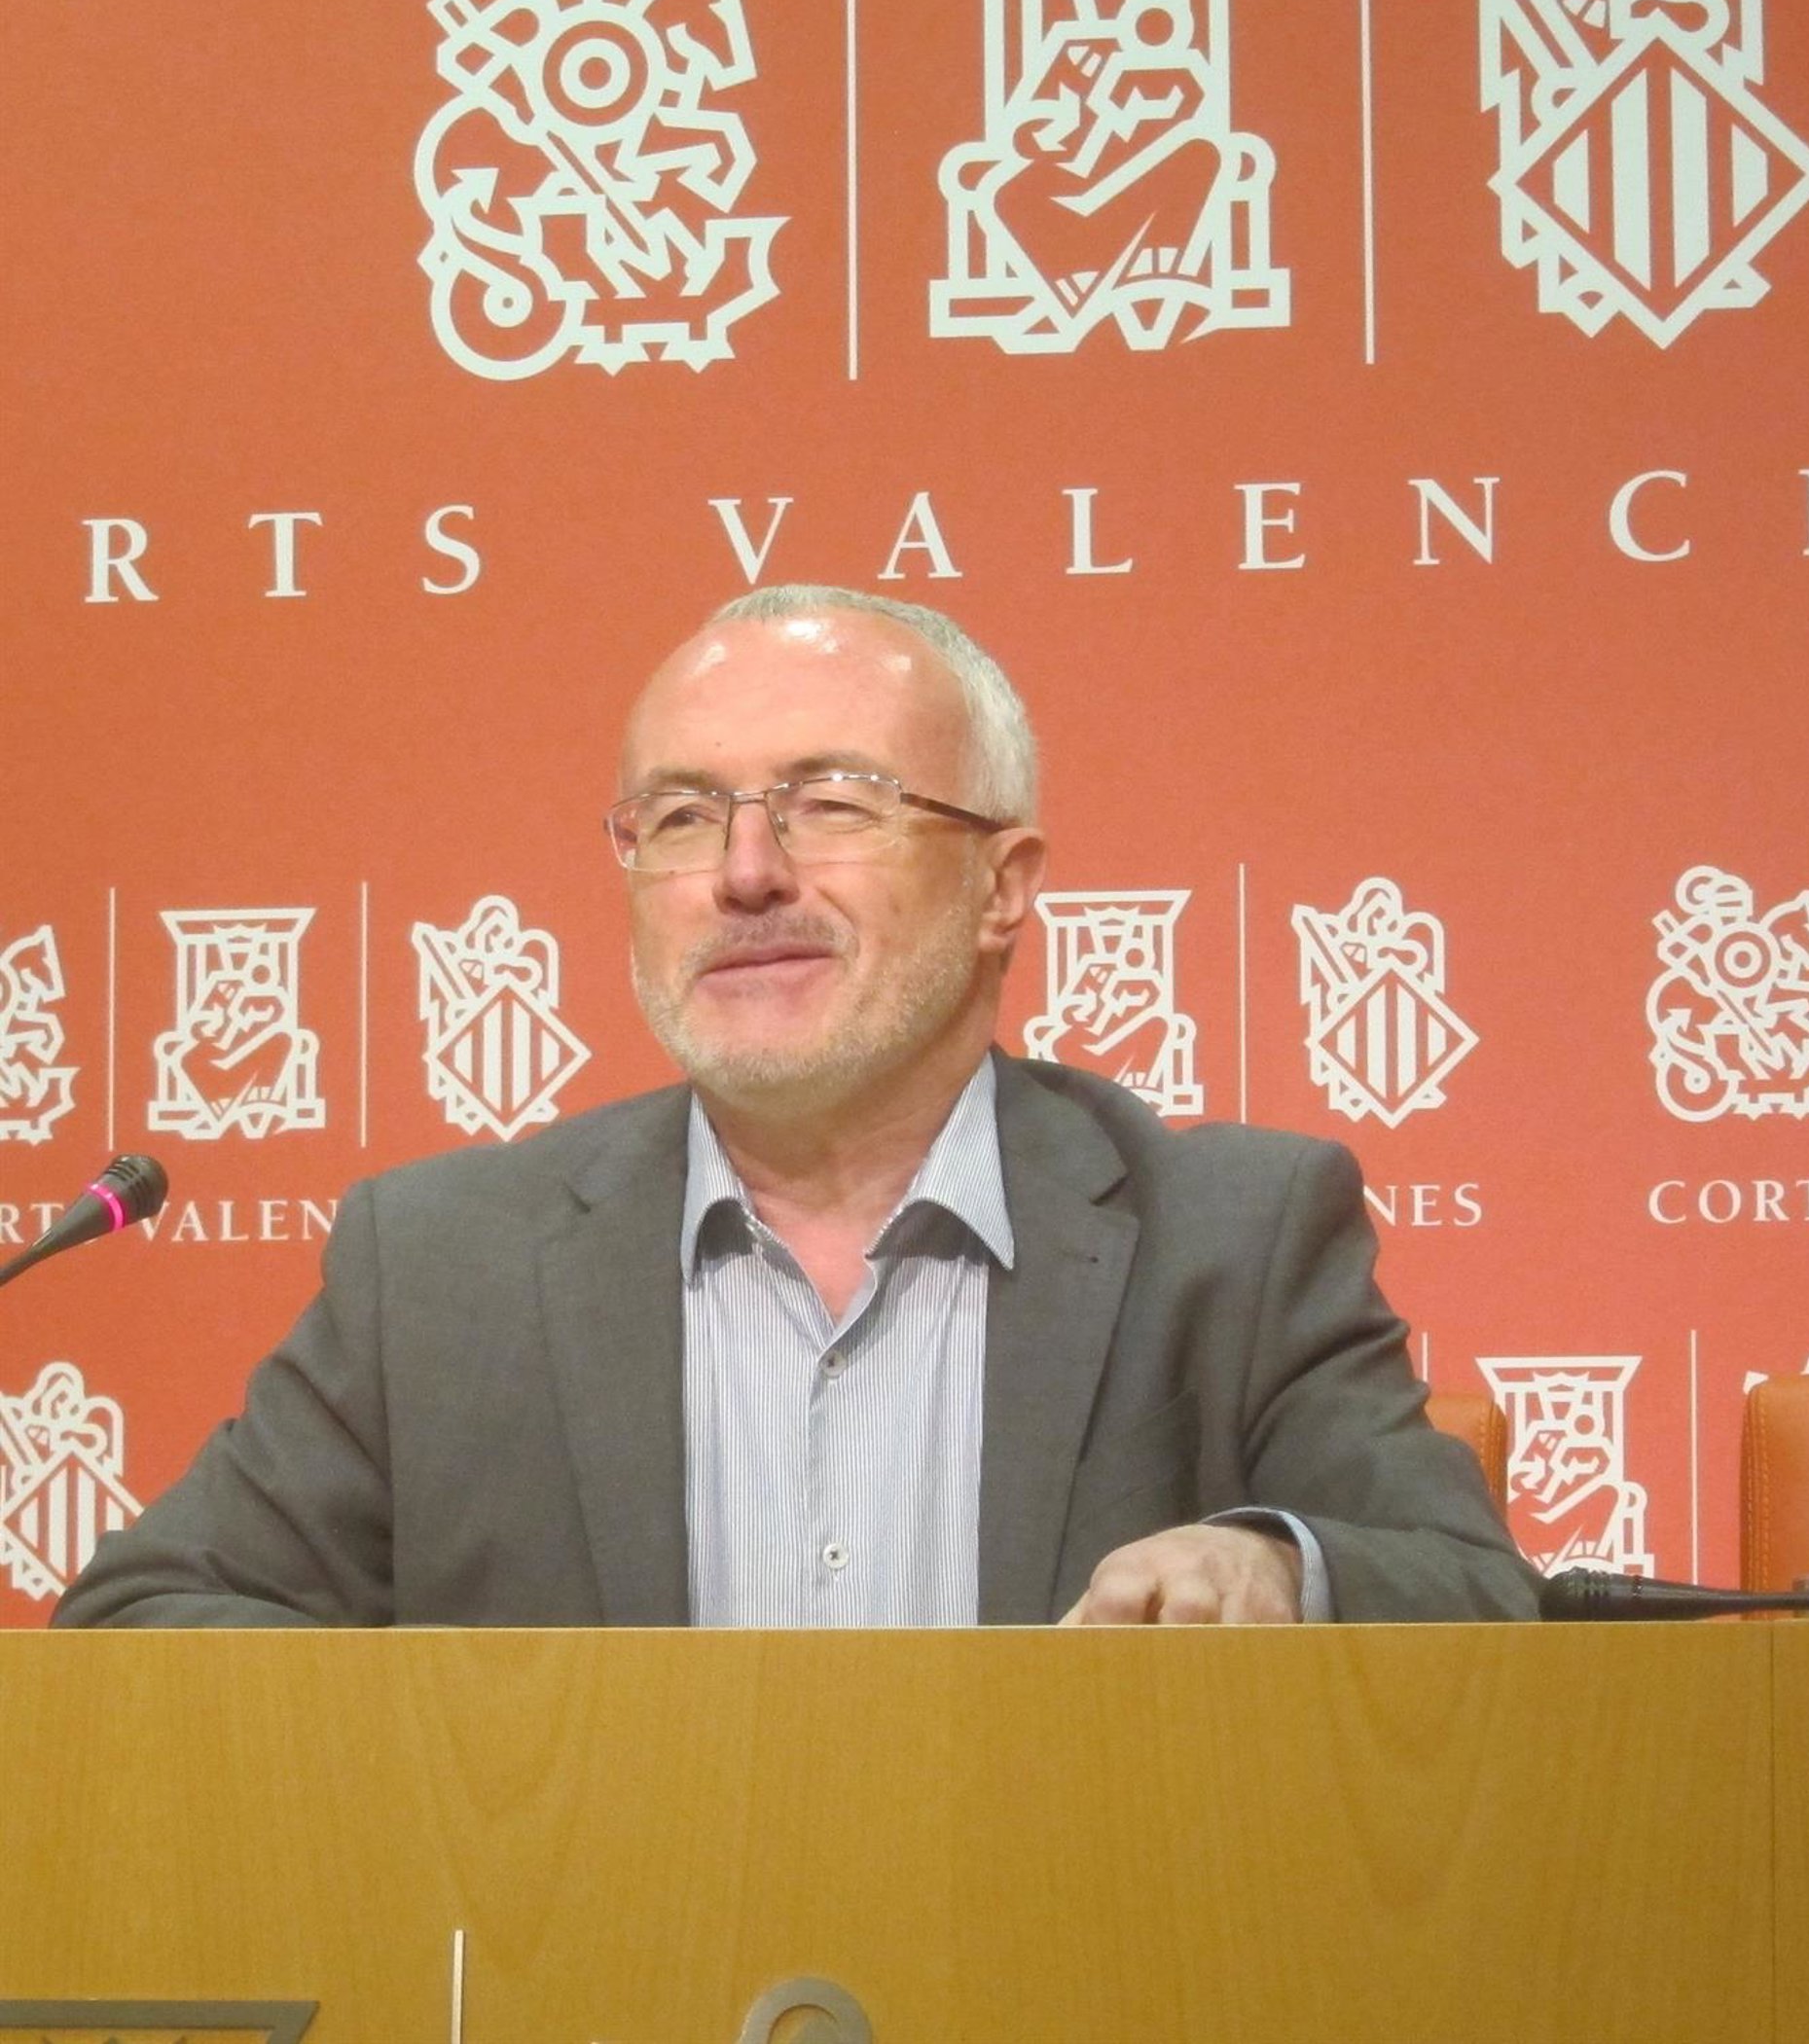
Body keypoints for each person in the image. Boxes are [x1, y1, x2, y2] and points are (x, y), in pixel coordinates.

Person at [55, 587, 1538, 1629]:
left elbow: (1477, 1598)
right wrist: (473, 1770)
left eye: (832, 803)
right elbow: (146, 1616)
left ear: (1001, 886)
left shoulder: (1232, 1236)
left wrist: (1279, 1570)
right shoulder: (442, 1266)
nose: (747, 873)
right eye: (683, 816)